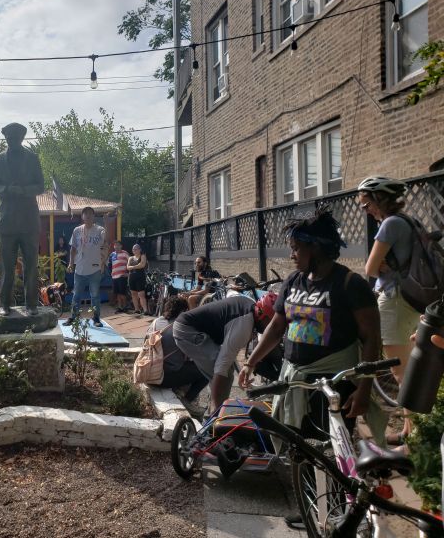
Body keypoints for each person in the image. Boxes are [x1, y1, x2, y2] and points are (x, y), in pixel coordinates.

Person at [239, 208, 383, 443]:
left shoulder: (350, 284)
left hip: (334, 385)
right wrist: (250, 363)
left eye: (296, 248)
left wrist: (364, 389)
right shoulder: (293, 282)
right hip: (295, 382)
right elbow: (276, 328)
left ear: (315, 247)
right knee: (298, 448)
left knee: (330, 449)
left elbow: (371, 339)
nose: (291, 255)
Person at [357, 176, 416, 445]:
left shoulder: (390, 225)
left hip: (393, 301)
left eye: (366, 203)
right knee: (410, 366)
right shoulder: (408, 221)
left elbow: (370, 268)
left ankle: (413, 437)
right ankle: (408, 430)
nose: (364, 209)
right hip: (413, 299)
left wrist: (382, 268)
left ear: (380, 199)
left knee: (401, 372)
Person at [174, 291, 278, 414]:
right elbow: (221, 366)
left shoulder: (250, 305)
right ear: (262, 315)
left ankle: (213, 412)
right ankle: (215, 415)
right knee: (224, 372)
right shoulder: (244, 325)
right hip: (187, 331)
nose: (271, 327)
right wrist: (217, 407)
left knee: (223, 373)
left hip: (190, 328)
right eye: (271, 323)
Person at [0, 122, 46, 315]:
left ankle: (31, 304)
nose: (12, 142)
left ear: (21, 139)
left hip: (29, 221)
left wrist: (23, 190)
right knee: (6, 268)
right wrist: (7, 189)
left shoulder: (32, 159)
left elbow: (40, 186)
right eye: (8, 139)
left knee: (31, 266)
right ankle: (4, 304)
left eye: (15, 139)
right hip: (7, 221)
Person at [146, 295, 208, 404]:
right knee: (206, 371)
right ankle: (187, 401)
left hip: (148, 372)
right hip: (163, 379)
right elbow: (192, 354)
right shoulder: (183, 328)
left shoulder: (156, 322)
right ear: (183, 311)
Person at [66, 207, 107, 327]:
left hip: (95, 269)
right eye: (86, 214)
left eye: (90, 214)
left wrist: (106, 224)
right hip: (79, 269)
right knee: (76, 295)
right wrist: (70, 263)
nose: (88, 216)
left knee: (95, 295)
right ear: (82, 216)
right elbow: (73, 248)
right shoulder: (77, 230)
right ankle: (73, 317)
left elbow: (106, 241)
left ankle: (96, 318)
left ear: (94, 216)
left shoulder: (100, 229)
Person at [127, 243, 148, 317]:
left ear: (140, 249)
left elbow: (142, 265)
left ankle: (145, 310)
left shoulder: (143, 256)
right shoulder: (130, 258)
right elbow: (127, 267)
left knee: (141, 294)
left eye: (136, 249)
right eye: (133, 249)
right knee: (133, 294)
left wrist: (132, 267)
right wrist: (136, 266)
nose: (134, 250)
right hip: (131, 277)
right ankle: (136, 309)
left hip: (140, 277)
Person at [109, 241, 129, 313]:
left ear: (121, 246)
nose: (116, 246)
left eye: (118, 245)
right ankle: (120, 307)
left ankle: (125, 307)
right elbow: (109, 264)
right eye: (115, 245)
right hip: (114, 276)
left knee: (123, 293)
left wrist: (128, 273)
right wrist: (111, 272)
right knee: (117, 293)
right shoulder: (112, 254)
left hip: (122, 276)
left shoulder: (125, 253)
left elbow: (130, 263)